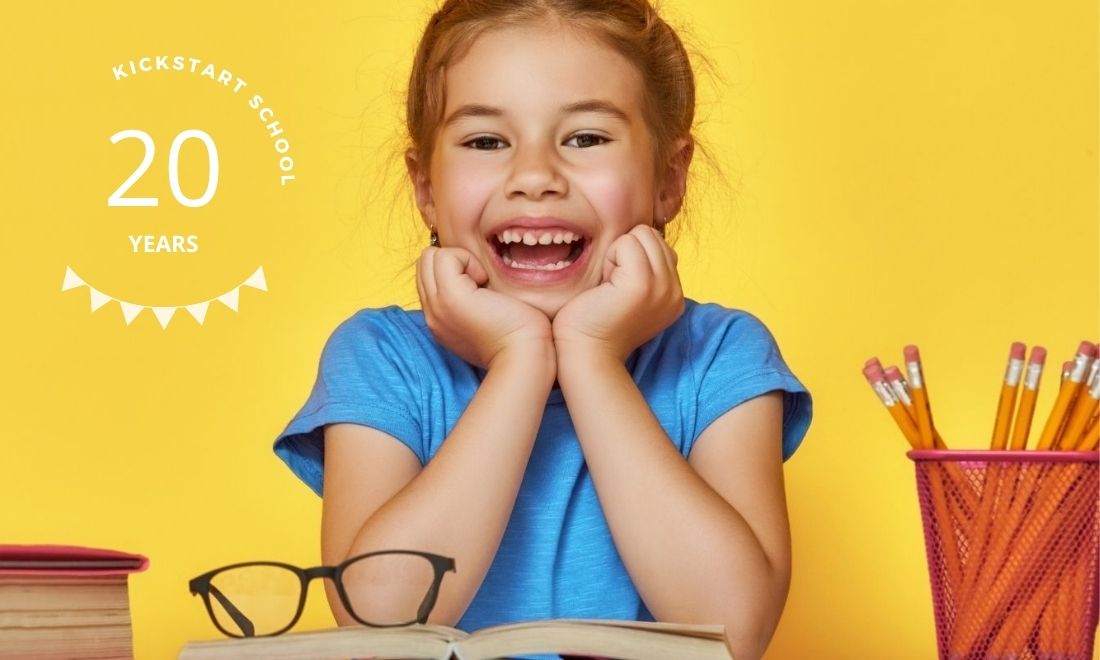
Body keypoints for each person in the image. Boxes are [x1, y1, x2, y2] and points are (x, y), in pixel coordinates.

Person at [273, 2, 813, 658]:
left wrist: (590, 357)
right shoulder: (380, 359)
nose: (534, 178)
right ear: (426, 190)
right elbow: (381, 624)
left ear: (669, 179)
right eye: (485, 142)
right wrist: (519, 362)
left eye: (585, 138)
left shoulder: (721, 356)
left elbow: (735, 632)